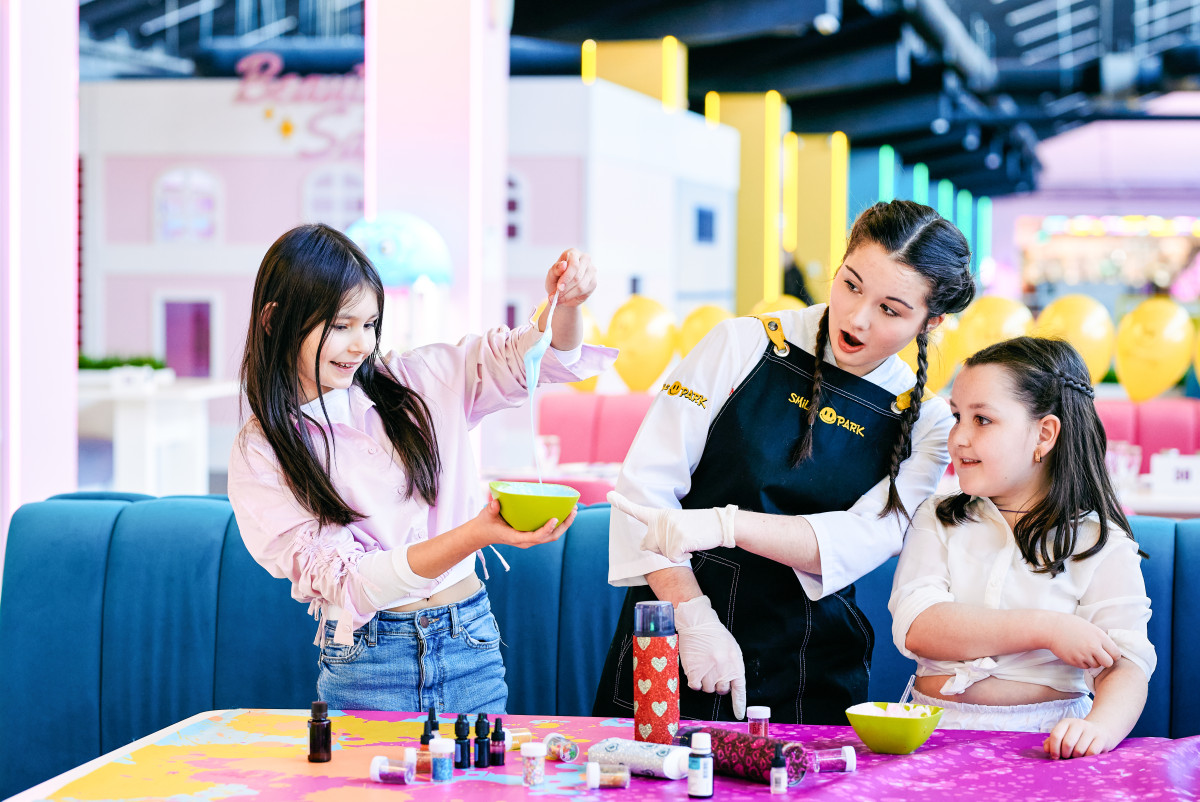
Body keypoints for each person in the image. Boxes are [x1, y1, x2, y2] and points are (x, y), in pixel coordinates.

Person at [595, 200, 977, 724]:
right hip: (674, 631)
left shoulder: (925, 421)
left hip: (808, 659)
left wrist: (724, 525)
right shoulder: (741, 343)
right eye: (851, 285)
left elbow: (860, 539)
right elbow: (644, 493)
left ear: (931, 321)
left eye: (891, 310)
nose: (857, 318)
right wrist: (692, 615)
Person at [227, 223, 613, 714]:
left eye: (370, 324)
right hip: (369, 665)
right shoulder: (262, 453)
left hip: (470, 645)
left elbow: (536, 357)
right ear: (273, 319)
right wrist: (476, 534)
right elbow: (353, 584)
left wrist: (566, 304)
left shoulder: (418, 380)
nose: (361, 344)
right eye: (341, 326)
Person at [889, 336, 1154, 758]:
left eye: (982, 420)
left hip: (1047, 741)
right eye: (957, 417)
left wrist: (1098, 729)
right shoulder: (937, 516)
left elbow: (1125, 664)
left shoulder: (1101, 543)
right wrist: (1047, 629)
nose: (958, 437)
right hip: (932, 732)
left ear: (1044, 435)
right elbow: (919, 626)